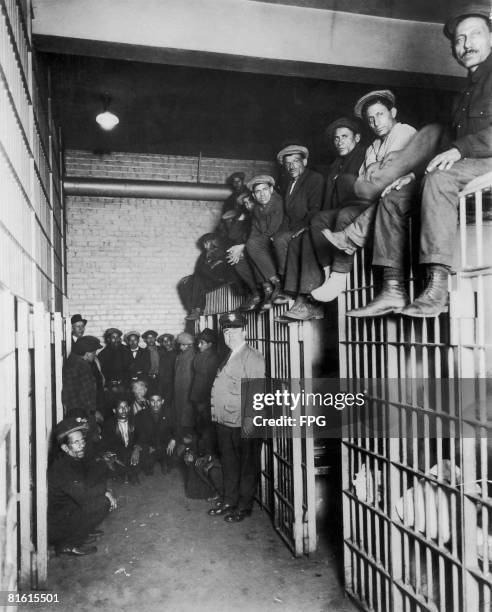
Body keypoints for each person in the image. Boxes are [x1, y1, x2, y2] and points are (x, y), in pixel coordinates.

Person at [348, 3, 492, 317]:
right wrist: (414, 174)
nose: (465, 44)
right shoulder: (465, 93)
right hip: (470, 165)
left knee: (440, 179)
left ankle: (437, 288)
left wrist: (461, 148)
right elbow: (446, 146)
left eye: (474, 35)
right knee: (393, 196)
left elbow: (459, 148)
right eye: (458, 39)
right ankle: (392, 289)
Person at [310, 90, 417, 304]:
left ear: (392, 112)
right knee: (343, 214)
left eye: (380, 114)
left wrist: (376, 174)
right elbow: (363, 184)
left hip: (402, 198)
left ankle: (339, 276)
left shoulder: (404, 131)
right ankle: (337, 276)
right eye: (370, 119)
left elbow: (391, 173)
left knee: (346, 216)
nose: (376, 122)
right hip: (375, 200)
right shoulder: (374, 147)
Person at [280, 118, 366, 320]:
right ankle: (311, 289)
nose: (339, 142)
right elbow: (327, 201)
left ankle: (323, 288)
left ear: (357, 138)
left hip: (359, 210)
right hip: (337, 212)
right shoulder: (336, 164)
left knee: (330, 221)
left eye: (344, 137)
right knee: (308, 231)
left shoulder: (364, 155)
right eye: (336, 138)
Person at [207, 312, 265, 523]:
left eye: (234, 331)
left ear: (245, 332)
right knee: (229, 465)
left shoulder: (253, 356)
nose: (229, 335)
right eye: (226, 331)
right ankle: (229, 501)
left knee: (247, 467)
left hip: (244, 422)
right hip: (224, 422)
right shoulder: (229, 355)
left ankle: (243, 506)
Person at [48, 416, 117, 556]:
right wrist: (105, 492)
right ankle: (68, 544)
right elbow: (84, 496)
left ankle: (83, 531)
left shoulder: (71, 458)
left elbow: (87, 480)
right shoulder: (62, 468)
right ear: (65, 448)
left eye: (82, 440)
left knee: (98, 491)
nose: (82, 445)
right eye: (76, 442)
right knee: (102, 503)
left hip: (67, 510)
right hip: (56, 525)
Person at [272, 144, 325, 303]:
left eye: (295, 161)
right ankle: (285, 284)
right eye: (287, 163)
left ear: (305, 161)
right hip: (293, 226)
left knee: (285, 240)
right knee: (278, 239)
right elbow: (287, 215)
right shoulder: (289, 184)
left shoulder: (314, 178)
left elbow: (315, 209)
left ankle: (290, 289)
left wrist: (303, 228)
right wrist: (277, 233)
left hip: (311, 225)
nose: (291, 166)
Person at [244, 175, 286, 309]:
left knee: (252, 245)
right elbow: (254, 230)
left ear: (272, 189)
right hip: (267, 239)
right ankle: (267, 288)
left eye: (265, 189)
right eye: (258, 191)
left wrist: (254, 242)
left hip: (280, 237)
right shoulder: (257, 208)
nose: (262, 194)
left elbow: (273, 228)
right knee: (250, 245)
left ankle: (276, 284)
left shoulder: (277, 202)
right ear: (254, 195)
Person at [190, 328, 220, 450]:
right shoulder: (200, 356)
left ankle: (207, 451)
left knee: (206, 426)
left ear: (210, 344)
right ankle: (201, 450)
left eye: (202, 343)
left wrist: (205, 400)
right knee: (200, 425)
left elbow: (211, 382)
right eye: (199, 342)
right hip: (197, 396)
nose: (199, 345)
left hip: (205, 398)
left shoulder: (213, 358)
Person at [101, 397, 141, 484]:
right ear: (114, 411)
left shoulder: (135, 421)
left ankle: (130, 472)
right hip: (118, 451)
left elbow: (141, 436)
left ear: (129, 409)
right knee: (113, 459)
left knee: (143, 449)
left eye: (126, 407)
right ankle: (128, 472)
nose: (123, 410)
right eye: (120, 407)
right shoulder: (109, 424)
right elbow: (106, 443)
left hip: (132, 448)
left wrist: (136, 449)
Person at [134, 393, 175, 475]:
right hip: (150, 445)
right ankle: (152, 461)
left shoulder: (169, 413)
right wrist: (142, 447)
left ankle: (164, 460)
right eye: (153, 401)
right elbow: (140, 434)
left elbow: (176, 428)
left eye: (158, 401)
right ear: (148, 402)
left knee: (174, 458)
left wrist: (173, 440)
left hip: (165, 445)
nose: (155, 404)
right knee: (147, 470)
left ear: (162, 401)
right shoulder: (141, 415)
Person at [62, 335, 102, 419]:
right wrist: (92, 412)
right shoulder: (81, 366)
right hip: (81, 414)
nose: (95, 355)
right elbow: (86, 395)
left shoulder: (74, 361)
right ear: (87, 353)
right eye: (94, 352)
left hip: (78, 412)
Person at [173, 332, 196, 441]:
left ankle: (188, 439)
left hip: (187, 390)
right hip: (180, 389)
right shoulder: (181, 356)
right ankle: (181, 437)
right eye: (180, 344)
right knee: (180, 414)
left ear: (189, 345)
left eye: (182, 344)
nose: (180, 346)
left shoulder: (192, 356)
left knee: (187, 415)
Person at [157, 333, 177, 409]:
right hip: (162, 382)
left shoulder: (176, 353)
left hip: (172, 383)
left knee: (170, 403)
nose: (166, 343)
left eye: (168, 341)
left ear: (172, 342)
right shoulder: (162, 353)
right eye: (164, 341)